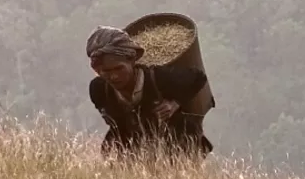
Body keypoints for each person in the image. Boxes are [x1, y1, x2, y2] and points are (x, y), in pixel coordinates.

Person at [86, 25, 214, 161]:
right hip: (134, 154)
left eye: (119, 68)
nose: (114, 76)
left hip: (178, 149)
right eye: (106, 71)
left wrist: (174, 103)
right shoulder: (99, 89)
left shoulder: (159, 78)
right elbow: (115, 124)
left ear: (131, 60)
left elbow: (198, 77)